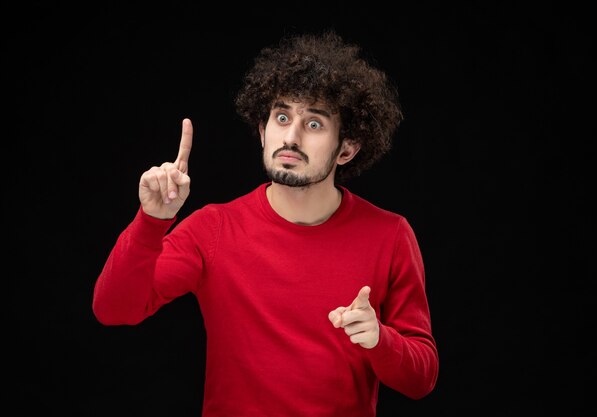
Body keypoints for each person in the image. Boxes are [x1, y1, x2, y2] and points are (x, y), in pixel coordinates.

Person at [92, 30, 438, 416]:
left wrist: (380, 340)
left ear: (347, 148)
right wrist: (151, 221)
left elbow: (422, 378)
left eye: (314, 124)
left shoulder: (389, 234)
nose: (290, 137)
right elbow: (114, 309)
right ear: (262, 130)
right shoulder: (213, 228)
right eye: (282, 116)